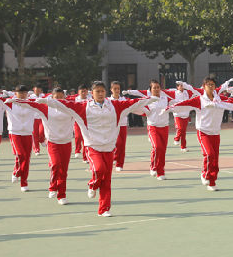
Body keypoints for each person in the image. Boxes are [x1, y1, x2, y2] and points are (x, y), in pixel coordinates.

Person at [44, 81, 156, 216]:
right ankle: (92, 184)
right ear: (92, 93)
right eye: (97, 91)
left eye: (102, 91)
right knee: (99, 169)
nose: (100, 93)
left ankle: (104, 209)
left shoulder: (114, 105)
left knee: (107, 180)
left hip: (109, 147)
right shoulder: (84, 107)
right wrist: (46, 101)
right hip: (93, 147)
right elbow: (63, 104)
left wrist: (150, 99)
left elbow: (134, 103)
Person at [167, 77, 227, 190]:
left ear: (215, 87)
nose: (210, 86)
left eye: (212, 84)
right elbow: (185, 103)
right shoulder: (199, 99)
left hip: (215, 132)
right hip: (203, 131)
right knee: (209, 154)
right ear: (203, 86)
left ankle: (212, 182)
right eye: (208, 84)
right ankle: (205, 175)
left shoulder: (221, 99)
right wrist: (170, 108)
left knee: (215, 158)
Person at [17, 87, 75, 204]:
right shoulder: (45, 107)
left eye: (61, 97)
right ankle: (53, 187)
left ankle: (61, 195)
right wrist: (15, 100)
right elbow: (29, 103)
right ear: (52, 98)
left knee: (63, 170)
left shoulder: (70, 107)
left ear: (64, 97)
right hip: (53, 142)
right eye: (56, 97)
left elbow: (84, 104)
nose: (59, 100)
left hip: (67, 142)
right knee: (55, 164)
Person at [0, 85, 37, 191]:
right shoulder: (9, 103)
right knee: (21, 155)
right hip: (15, 133)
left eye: (24, 93)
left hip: (28, 134)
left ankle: (23, 181)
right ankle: (17, 173)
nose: (22, 95)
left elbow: (48, 101)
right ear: (15, 93)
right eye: (20, 93)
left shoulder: (31, 103)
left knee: (26, 159)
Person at [125, 81, 180, 181]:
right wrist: (129, 107)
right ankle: (154, 167)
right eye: (154, 88)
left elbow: (176, 104)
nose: (156, 89)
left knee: (162, 150)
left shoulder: (165, 98)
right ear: (150, 90)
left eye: (158, 87)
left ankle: (161, 171)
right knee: (157, 147)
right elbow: (139, 109)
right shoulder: (147, 100)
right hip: (153, 127)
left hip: (164, 126)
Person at [108, 81, 130, 171]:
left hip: (122, 124)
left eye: (118, 89)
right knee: (116, 143)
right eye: (115, 89)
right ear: (111, 89)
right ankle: (114, 157)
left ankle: (119, 164)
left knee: (122, 145)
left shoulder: (124, 99)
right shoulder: (108, 101)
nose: (117, 90)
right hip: (112, 125)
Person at [172, 81, 194, 152]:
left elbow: (194, 90)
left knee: (183, 132)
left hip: (186, 114)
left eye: (182, 85)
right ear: (177, 87)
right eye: (180, 85)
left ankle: (183, 147)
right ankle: (176, 138)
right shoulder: (174, 93)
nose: (182, 87)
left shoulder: (187, 92)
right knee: (180, 128)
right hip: (177, 114)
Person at [71, 85, 89, 160]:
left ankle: (85, 157)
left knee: (86, 139)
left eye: (85, 91)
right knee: (78, 136)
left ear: (87, 92)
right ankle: (77, 150)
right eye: (82, 91)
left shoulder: (90, 100)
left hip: (87, 122)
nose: (83, 93)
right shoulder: (75, 99)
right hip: (77, 121)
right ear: (78, 92)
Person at [30, 85, 46, 156]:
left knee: (41, 132)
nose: (38, 90)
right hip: (33, 118)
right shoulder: (30, 97)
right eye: (37, 89)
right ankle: (36, 149)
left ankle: (42, 140)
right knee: (35, 134)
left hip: (42, 117)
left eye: (39, 89)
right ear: (34, 89)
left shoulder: (43, 96)